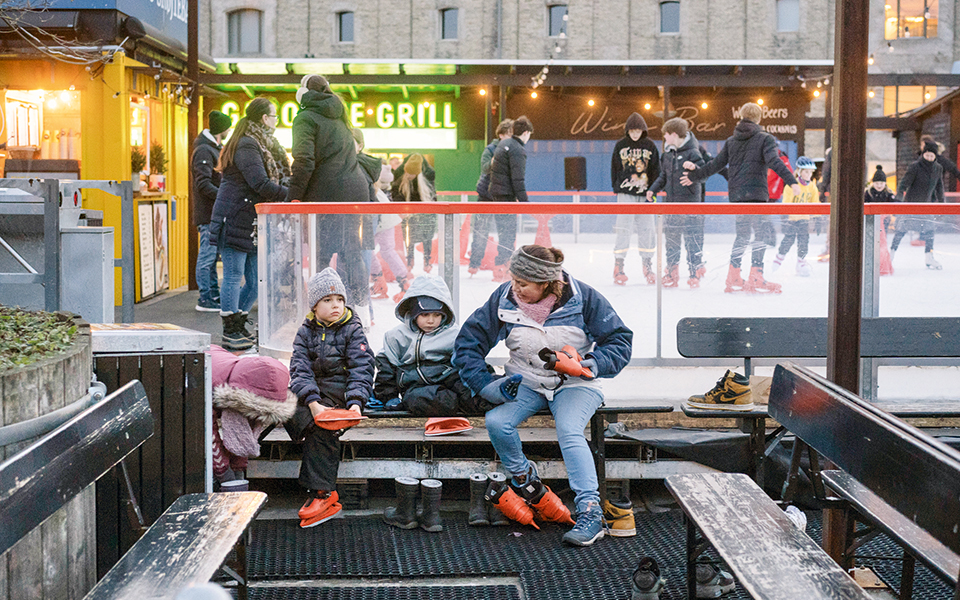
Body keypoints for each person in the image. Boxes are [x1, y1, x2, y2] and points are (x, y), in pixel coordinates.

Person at [454, 245, 633, 546]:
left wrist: (592, 363)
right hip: (527, 381)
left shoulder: (584, 298)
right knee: (497, 422)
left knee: (570, 430)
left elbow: (619, 340)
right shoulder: (503, 298)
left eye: (523, 283)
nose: (515, 288)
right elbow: (468, 344)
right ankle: (525, 480)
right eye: (513, 279)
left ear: (546, 283)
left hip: (575, 384)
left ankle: (590, 512)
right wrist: (485, 384)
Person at [286, 267, 375, 528]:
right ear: (314, 306)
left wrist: (356, 403)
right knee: (286, 406)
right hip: (315, 391)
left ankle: (323, 494)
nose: (335, 305)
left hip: (340, 391)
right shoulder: (305, 332)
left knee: (321, 429)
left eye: (339, 299)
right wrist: (313, 404)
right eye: (327, 300)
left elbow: (362, 368)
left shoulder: (353, 329)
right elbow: (299, 369)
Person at [682, 102, 800, 294]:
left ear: (741, 117)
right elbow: (774, 161)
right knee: (760, 235)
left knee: (742, 235)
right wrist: (792, 181)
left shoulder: (732, 141)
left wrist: (694, 176)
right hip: (757, 196)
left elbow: (715, 165)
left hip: (737, 196)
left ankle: (733, 275)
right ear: (759, 118)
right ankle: (756, 275)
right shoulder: (765, 138)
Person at [210, 97, 288, 351]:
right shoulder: (247, 144)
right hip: (234, 217)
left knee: (255, 281)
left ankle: (239, 323)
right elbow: (260, 183)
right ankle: (230, 329)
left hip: (252, 221)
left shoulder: (260, 144)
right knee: (233, 275)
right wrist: (291, 195)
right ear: (265, 118)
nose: (276, 121)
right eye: (275, 116)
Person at [287, 75, 371, 312]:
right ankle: (360, 309)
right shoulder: (340, 115)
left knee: (320, 255)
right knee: (352, 252)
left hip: (325, 194)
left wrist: (293, 197)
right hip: (355, 192)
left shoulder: (305, 118)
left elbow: (304, 160)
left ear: (302, 94)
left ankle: (320, 310)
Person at [374, 276, 488, 416]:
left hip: (449, 378)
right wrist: (388, 397)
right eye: (425, 314)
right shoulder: (397, 336)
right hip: (417, 385)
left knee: (472, 390)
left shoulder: (454, 334)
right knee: (419, 400)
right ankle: (458, 404)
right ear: (413, 314)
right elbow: (386, 369)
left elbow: (469, 358)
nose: (431, 321)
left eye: (437, 315)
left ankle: (490, 398)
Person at [208, 344, 296, 490]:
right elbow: (206, 433)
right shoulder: (209, 385)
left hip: (216, 361)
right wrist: (224, 474)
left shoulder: (247, 376)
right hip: (184, 377)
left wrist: (239, 469)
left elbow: (244, 433)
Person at [647, 117, 705, 288]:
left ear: (673, 134)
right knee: (671, 241)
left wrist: (694, 169)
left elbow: (704, 174)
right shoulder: (667, 155)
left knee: (692, 240)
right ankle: (672, 273)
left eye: (665, 134)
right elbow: (663, 177)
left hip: (690, 205)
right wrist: (652, 190)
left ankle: (694, 272)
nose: (664, 137)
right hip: (671, 205)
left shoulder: (693, 153)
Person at [611, 112, 660, 286]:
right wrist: (617, 188)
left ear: (643, 131)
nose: (635, 134)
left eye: (638, 131)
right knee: (623, 228)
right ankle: (619, 266)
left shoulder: (650, 146)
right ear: (627, 131)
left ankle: (647, 265)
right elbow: (615, 167)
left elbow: (656, 169)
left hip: (647, 195)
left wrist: (654, 190)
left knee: (648, 230)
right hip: (626, 194)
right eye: (632, 131)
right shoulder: (620, 145)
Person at [192, 110, 231, 312]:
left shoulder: (210, 149)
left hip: (212, 212)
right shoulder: (204, 151)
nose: (229, 131)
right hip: (208, 213)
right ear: (222, 129)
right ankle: (205, 298)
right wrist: (224, 197)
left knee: (211, 256)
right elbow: (203, 183)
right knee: (207, 257)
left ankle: (212, 295)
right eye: (228, 127)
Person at [487, 116, 534, 282]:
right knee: (508, 234)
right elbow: (518, 179)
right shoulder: (517, 149)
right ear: (526, 133)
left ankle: (501, 266)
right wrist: (525, 203)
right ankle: (504, 267)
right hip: (506, 197)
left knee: (503, 233)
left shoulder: (504, 144)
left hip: (497, 194)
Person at [469, 119, 513, 276]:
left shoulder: (513, 150)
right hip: (486, 196)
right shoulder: (490, 149)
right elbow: (485, 168)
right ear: (501, 135)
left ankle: (503, 263)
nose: (512, 138)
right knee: (480, 231)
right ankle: (475, 262)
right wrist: (497, 158)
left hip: (504, 196)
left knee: (505, 232)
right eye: (509, 134)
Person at [891, 140, 944, 269]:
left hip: (927, 206)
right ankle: (890, 255)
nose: (929, 158)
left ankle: (929, 257)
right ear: (923, 154)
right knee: (900, 231)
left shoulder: (938, 168)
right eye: (927, 155)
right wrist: (898, 201)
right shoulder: (915, 167)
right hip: (911, 205)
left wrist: (942, 204)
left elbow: (939, 187)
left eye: (932, 156)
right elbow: (904, 184)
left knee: (930, 232)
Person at [771, 156, 819, 277]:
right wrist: (785, 218)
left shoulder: (812, 186)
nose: (809, 175)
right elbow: (786, 204)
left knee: (804, 241)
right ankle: (779, 258)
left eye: (811, 172)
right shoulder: (791, 186)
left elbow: (815, 203)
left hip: (804, 219)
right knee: (788, 240)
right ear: (799, 171)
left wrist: (817, 218)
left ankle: (801, 263)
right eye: (806, 172)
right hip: (792, 219)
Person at [392, 154, 437, 273]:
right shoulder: (400, 175)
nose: (409, 176)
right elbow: (396, 193)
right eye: (407, 173)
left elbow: (432, 196)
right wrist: (401, 208)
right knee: (409, 235)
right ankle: (409, 259)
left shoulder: (428, 176)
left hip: (425, 211)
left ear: (418, 174)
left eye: (411, 174)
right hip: (408, 212)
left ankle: (427, 260)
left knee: (427, 235)